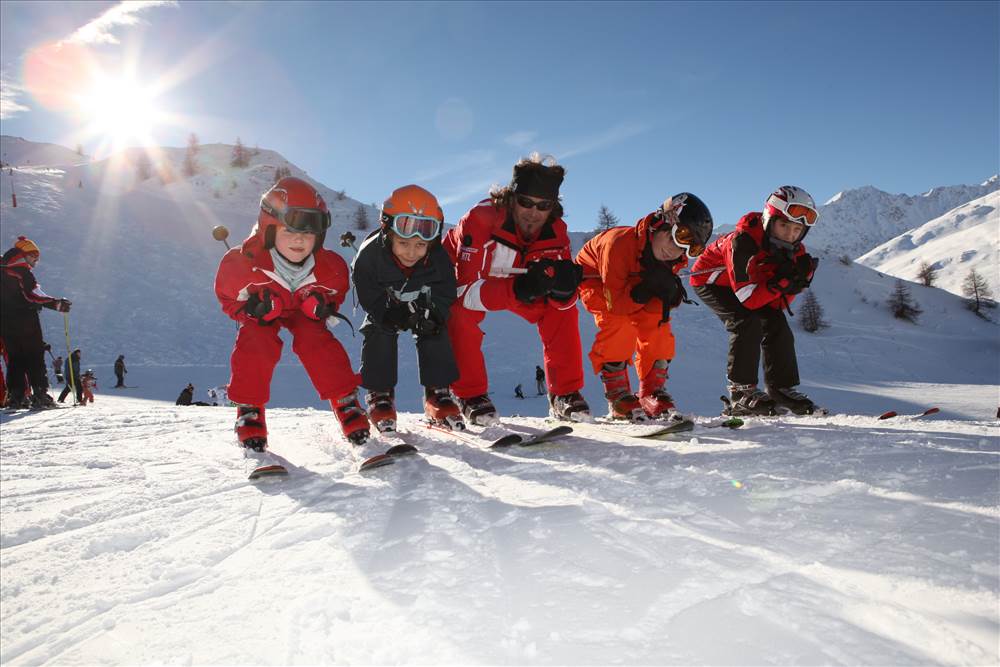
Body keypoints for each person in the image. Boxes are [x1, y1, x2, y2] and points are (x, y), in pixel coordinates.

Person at [214, 177, 370, 452]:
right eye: (289, 230)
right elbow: (228, 298)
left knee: (315, 338)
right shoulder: (242, 265)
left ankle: (345, 401)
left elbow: (336, 293)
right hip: (267, 311)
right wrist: (252, 308)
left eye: (308, 233)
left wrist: (321, 304)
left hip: (300, 309)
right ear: (269, 229)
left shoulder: (329, 267)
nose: (299, 239)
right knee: (256, 337)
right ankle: (250, 408)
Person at [443, 154, 589, 424]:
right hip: (464, 282)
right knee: (459, 313)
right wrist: (518, 289)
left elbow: (563, 303)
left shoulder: (556, 231)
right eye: (525, 202)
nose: (534, 212)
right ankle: (469, 394)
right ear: (511, 198)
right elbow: (465, 291)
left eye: (544, 205)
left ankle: (565, 394)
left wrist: (564, 292)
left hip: (517, 284)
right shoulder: (481, 218)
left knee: (562, 312)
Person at [577, 193, 714, 420]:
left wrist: (668, 295)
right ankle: (618, 395)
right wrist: (644, 291)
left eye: (690, 248)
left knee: (658, 321)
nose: (676, 250)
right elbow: (617, 304)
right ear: (660, 224)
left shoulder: (671, 258)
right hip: (597, 281)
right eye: (677, 237)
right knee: (620, 325)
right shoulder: (618, 243)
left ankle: (651, 392)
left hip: (638, 284)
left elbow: (659, 297)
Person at [690, 186, 821, 415]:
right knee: (745, 322)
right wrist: (782, 283)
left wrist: (796, 283)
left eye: (797, 228)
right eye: (784, 225)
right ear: (770, 219)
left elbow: (778, 304)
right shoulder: (742, 241)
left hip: (753, 287)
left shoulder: (795, 251)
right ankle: (740, 392)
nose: (790, 234)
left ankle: (780, 389)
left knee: (777, 324)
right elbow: (748, 300)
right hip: (712, 281)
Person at [351, 185, 461, 431]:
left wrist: (434, 314)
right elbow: (368, 293)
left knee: (436, 331)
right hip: (387, 306)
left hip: (421, 303)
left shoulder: (438, 258)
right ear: (387, 232)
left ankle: (438, 393)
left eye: (421, 245)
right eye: (403, 243)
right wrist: (386, 313)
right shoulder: (369, 257)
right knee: (378, 331)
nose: (412, 252)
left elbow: (445, 292)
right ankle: (380, 395)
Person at [0, 236, 71, 409]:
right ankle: (40, 395)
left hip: (5, 323)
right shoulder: (21, 271)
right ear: (24, 255)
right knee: (34, 355)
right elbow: (32, 295)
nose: (36, 261)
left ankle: (16, 397)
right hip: (26, 321)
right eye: (34, 257)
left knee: (15, 358)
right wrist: (56, 304)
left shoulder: (2, 270)